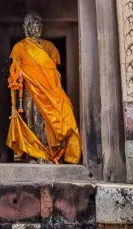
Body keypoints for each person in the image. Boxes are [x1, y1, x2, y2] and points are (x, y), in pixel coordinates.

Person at [6, 12, 81, 164]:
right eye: (31, 25)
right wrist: (18, 77)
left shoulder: (49, 47)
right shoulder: (19, 47)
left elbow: (52, 73)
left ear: (42, 27)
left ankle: (48, 154)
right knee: (31, 120)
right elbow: (15, 70)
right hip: (29, 90)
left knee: (47, 121)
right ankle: (32, 155)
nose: (35, 28)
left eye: (38, 25)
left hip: (49, 92)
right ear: (25, 28)